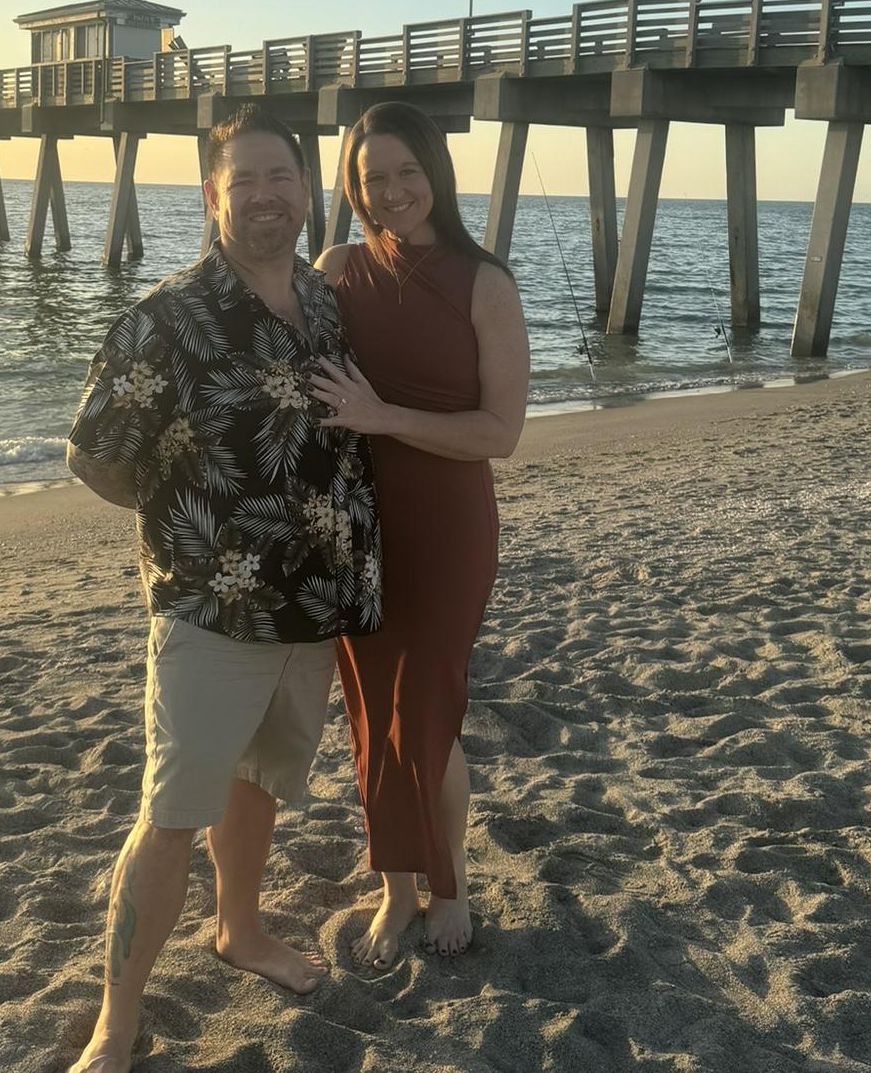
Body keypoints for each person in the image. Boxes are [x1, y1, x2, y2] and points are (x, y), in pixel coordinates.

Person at [63, 104, 382, 1073]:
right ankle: (117, 1026)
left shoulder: (323, 302)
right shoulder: (166, 319)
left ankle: (238, 929)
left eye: (280, 177)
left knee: (261, 783)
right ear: (211, 197)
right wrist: (193, 539)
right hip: (212, 614)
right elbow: (94, 456)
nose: (265, 198)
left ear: (306, 187)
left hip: (314, 606)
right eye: (242, 182)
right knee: (170, 814)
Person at [310, 101, 529, 967]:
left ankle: (450, 888)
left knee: (426, 709)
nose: (392, 192)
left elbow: (498, 432)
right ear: (354, 189)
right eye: (373, 179)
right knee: (371, 713)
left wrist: (379, 415)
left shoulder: (486, 283)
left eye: (407, 172)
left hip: (446, 526)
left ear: (435, 172)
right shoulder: (335, 269)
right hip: (356, 528)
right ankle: (396, 889)